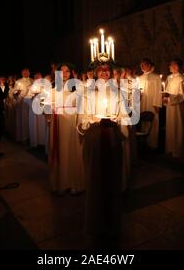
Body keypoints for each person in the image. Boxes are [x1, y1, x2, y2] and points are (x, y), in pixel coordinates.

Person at [78, 62, 132, 246]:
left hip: (112, 139)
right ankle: (95, 224)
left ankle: (112, 225)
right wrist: (92, 121)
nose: (103, 73)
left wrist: (117, 121)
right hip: (95, 140)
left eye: (107, 70)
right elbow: (82, 119)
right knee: (95, 181)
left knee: (111, 182)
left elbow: (125, 117)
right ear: (95, 73)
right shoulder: (87, 93)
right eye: (100, 70)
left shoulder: (118, 93)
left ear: (111, 73)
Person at [47, 63, 85, 195]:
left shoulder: (77, 89)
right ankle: (61, 183)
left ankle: (74, 182)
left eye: (67, 71)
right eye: (61, 71)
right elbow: (46, 106)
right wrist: (50, 110)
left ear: (71, 73)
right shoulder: (52, 90)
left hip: (71, 123)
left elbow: (82, 107)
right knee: (61, 151)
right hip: (58, 123)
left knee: (72, 151)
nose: (64, 74)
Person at [163, 59, 184, 158]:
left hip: (179, 109)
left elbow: (183, 95)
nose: (169, 67)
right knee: (171, 127)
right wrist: (165, 98)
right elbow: (166, 91)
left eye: (171, 65)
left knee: (178, 127)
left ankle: (178, 150)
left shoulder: (182, 79)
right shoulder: (169, 78)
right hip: (170, 108)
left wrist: (170, 99)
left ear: (176, 66)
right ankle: (170, 148)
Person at [138, 58, 163, 149]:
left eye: (143, 65)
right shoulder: (139, 78)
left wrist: (157, 104)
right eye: (141, 65)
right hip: (143, 102)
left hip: (152, 103)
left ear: (149, 65)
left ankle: (152, 143)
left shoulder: (155, 77)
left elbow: (158, 92)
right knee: (143, 121)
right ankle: (143, 143)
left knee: (153, 121)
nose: (141, 67)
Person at [12, 68, 33, 143]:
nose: (25, 73)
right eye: (24, 72)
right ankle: (23, 138)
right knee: (23, 120)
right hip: (22, 103)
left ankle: (31, 137)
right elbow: (14, 93)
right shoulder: (18, 82)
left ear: (29, 73)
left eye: (27, 72)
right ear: (21, 73)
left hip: (31, 103)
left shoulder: (32, 81)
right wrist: (16, 93)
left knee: (31, 121)